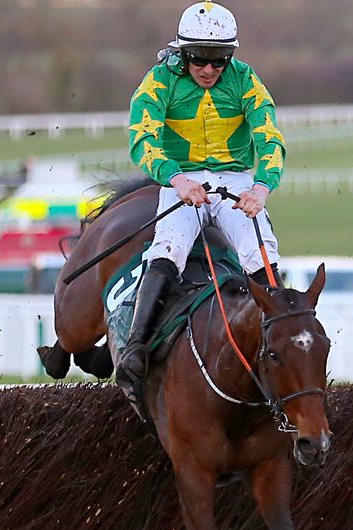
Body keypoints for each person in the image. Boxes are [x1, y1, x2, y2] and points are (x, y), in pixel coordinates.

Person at [119, 0, 286, 407]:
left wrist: (262, 187)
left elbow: (269, 137)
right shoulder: (159, 81)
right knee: (168, 249)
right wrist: (176, 178)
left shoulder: (246, 81)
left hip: (235, 180)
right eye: (199, 59)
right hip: (182, 179)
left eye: (219, 60)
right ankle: (135, 349)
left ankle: (281, 347)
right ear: (181, 52)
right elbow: (142, 137)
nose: (209, 69)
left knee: (259, 252)